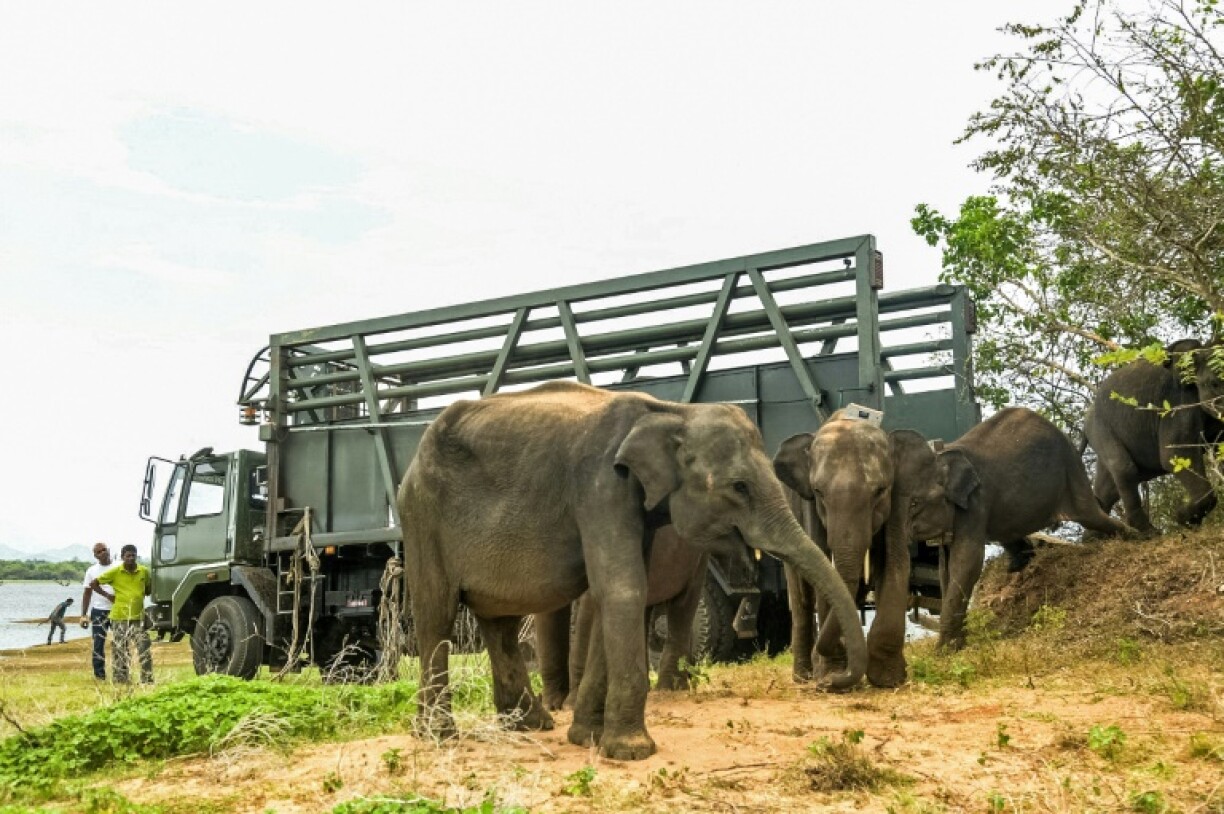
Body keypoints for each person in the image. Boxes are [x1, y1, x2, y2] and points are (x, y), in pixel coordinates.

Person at [90, 544, 153, 685]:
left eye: (133, 555)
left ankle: (147, 679)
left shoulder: (144, 571)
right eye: (128, 556)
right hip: (119, 617)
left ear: (136, 556)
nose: (131, 558)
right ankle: (121, 680)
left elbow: (149, 588)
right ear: (122, 557)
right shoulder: (115, 571)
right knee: (120, 649)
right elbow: (94, 584)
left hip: (138, 617)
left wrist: (143, 594)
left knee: (144, 647)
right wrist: (107, 595)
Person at [80, 542, 115, 679]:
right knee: (98, 644)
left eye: (104, 550)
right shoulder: (91, 571)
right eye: (99, 552)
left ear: (109, 550)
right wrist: (83, 614)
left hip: (118, 610)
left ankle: (121, 673)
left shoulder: (118, 566)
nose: (103, 553)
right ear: (95, 555)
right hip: (99, 611)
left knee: (121, 642)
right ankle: (100, 675)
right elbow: (87, 593)